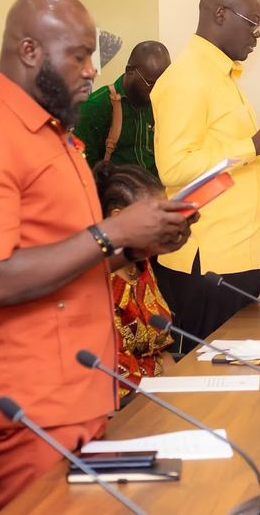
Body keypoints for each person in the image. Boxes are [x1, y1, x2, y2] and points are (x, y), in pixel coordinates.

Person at [0, 0, 194, 510]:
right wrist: (115, 234)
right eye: (78, 55)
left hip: (83, 393)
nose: (92, 71)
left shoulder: (49, 133)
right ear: (30, 50)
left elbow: (66, 256)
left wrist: (137, 246)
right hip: (32, 408)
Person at [152, 0, 260, 350]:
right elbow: (173, 167)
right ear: (220, 14)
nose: (257, 35)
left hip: (238, 256)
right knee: (205, 372)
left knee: (235, 370)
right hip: (208, 262)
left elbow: (214, 161)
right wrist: (254, 144)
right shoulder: (187, 78)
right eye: (252, 23)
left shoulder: (221, 78)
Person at [93, 161, 175, 404]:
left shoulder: (142, 262)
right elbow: (115, 376)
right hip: (124, 409)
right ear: (118, 217)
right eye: (157, 218)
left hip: (159, 395)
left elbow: (161, 349)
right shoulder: (97, 278)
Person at [73, 40, 170, 175]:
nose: (157, 90)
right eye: (150, 83)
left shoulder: (162, 101)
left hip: (156, 186)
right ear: (129, 71)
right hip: (116, 186)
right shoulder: (96, 107)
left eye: (163, 83)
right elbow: (84, 169)